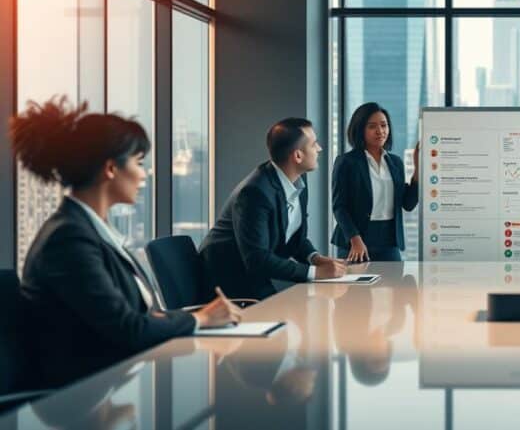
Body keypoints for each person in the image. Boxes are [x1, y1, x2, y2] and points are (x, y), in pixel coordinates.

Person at [12, 98, 242, 388]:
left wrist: (200, 316)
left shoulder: (92, 231)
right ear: (110, 168)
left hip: (117, 380)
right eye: (139, 163)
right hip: (84, 393)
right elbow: (127, 328)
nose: (144, 174)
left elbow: (136, 316)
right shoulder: (68, 239)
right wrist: (201, 319)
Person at [199, 118, 346, 300]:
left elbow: (295, 238)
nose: (319, 148)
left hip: (254, 274)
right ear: (297, 156)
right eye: (314, 144)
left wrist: (315, 258)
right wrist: (315, 272)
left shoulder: (298, 181)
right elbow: (257, 259)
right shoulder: (255, 192)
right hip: (228, 280)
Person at [331, 103, 419, 262]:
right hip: (356, 242)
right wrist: (355, 239)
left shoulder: (395, 162)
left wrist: (418, 169)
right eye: (372, 126)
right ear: (360, 130)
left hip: (389, 242)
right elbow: (339, 207)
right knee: (357, 280)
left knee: (394, 278)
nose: (380, 131)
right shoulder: (346, 162)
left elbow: (408, 204)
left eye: (384, 125)